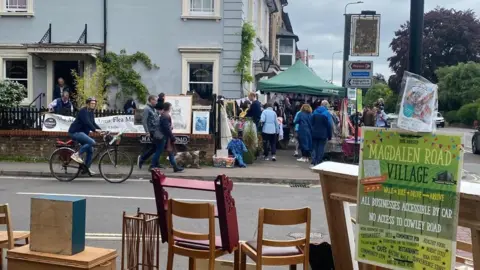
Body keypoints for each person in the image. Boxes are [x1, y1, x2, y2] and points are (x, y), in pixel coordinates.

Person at [68, 97, 102, 175]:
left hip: (82, 134)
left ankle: (86, 168)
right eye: (92, 103)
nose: (93, 105)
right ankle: (76, 155)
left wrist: (101, 130)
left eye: (94, 104)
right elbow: (87, 122)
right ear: (88, 104)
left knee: (90, 150)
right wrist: (95, 130)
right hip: (75, 132)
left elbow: (93, 123)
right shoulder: (83, 111)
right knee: (92, 142)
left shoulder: (91, 112)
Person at [156, 102, 184, 172]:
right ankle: (153, 165)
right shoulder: (165, 116)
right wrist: (172, 137)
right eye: (170, 107)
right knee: (160, 151)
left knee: (170, 151)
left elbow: (166, 127)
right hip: (165, 137)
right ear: (168, 108)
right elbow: (166, 129)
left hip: (165, 137)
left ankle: (175, 167)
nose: (171, 108)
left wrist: (170, 128)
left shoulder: (164, 115)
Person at [138, 95, 160, 169]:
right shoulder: (147, 109)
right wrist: (147, 132)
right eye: (155, 100)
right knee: (155, 147)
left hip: (156, 131)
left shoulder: (153, 109)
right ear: (151, 100)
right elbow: (144, 121)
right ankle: (142, 159)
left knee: (155, 147)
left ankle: (155, 163)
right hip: (152, 131)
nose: (156, 102)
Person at [311, 101, 332, 166]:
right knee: (321, 148)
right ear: (326, 105)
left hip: (314, 133)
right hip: (323, 134)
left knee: (314, 147)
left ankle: (313, 161)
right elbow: (329, 125)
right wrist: (329, 135)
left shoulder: (315, 111)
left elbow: (311, 122)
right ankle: (319, 162)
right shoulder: (327, 113)